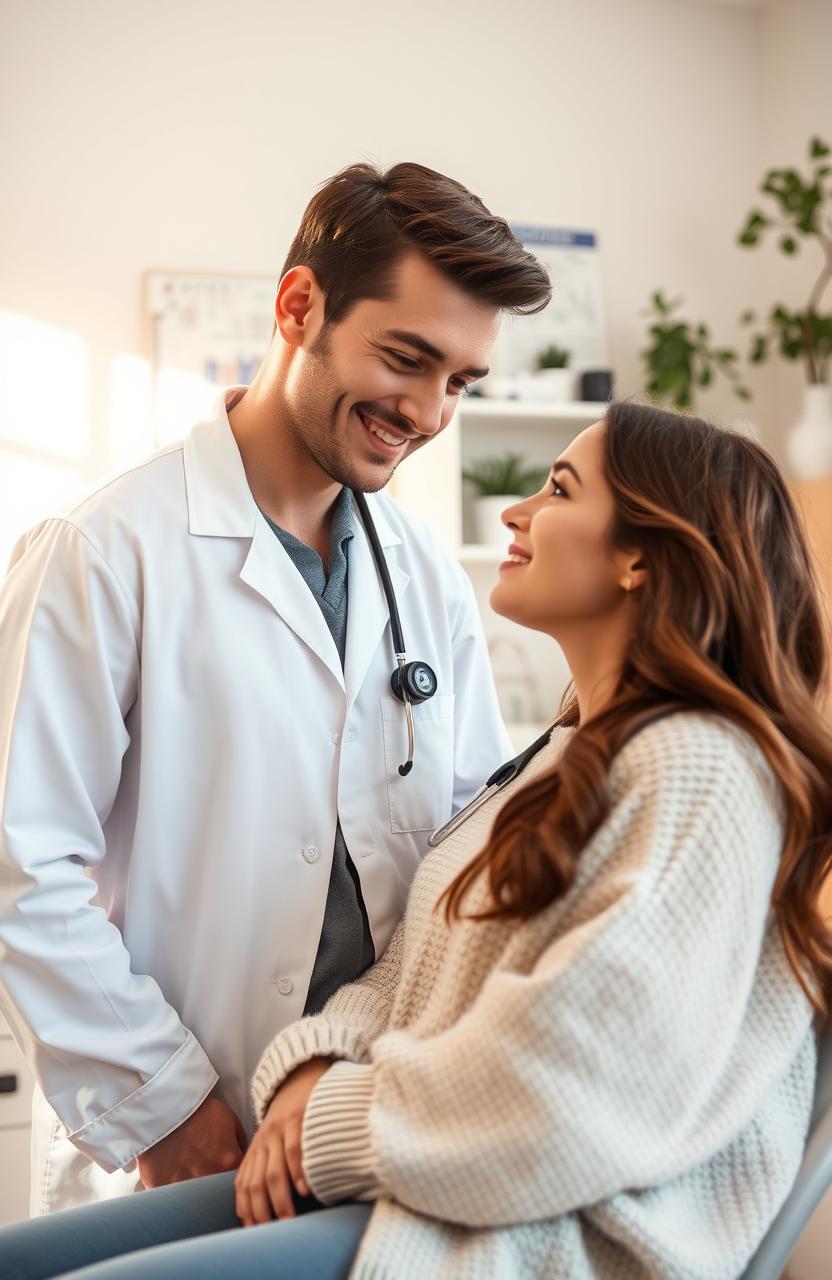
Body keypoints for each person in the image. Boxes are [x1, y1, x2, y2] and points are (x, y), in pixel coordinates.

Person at [4, 399, 830, 1280]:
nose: (514, 510)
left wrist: (326, 1116)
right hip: (406, 1177)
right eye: (407, 361)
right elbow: (412, 968)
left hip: (518, 1233)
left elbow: (571, 1086)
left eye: (558, 489)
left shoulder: (699, 770)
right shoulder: (559, 758)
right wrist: (309, 1070)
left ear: (641, 556)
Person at [0, 162, 552, 1215]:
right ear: (299, 306)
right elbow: (21, 865)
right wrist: (164, 1108)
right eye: (407, 358)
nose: (428, 412)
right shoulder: (104, 552)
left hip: (366, 1133)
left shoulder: (424, 571)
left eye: (460, 382)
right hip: (170, 1145)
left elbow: (464, 849)